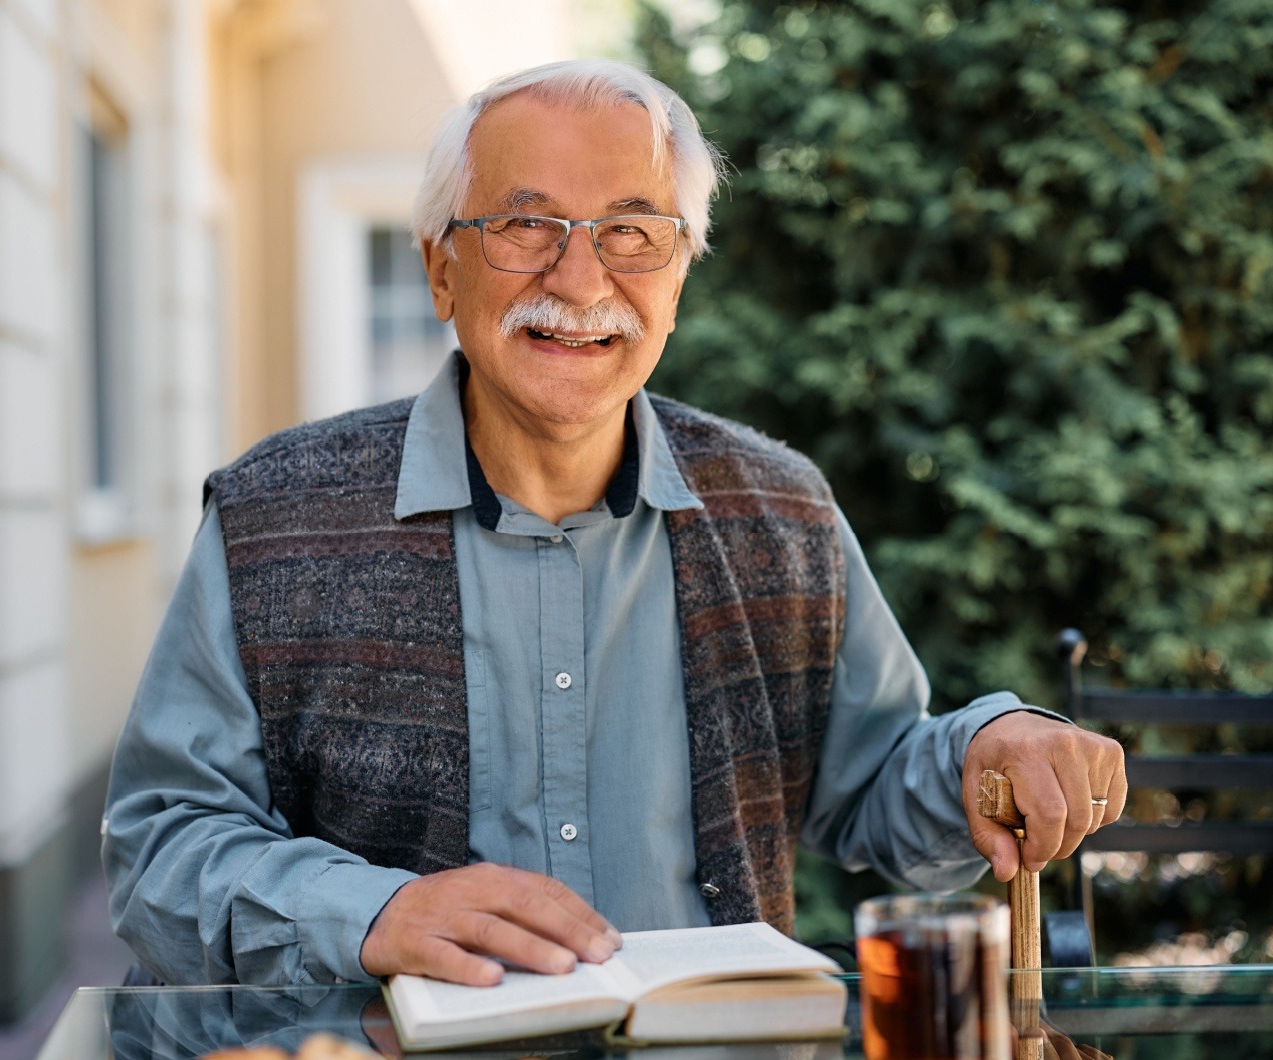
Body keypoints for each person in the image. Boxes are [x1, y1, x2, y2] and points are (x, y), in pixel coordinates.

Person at [102, 59, 1126, 989]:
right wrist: (375, 912)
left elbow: (876, 780)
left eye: (632, 231)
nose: (581, 280)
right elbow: (163, 848)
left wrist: (983, 749)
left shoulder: (781, 510)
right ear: (440, 269)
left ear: (679, 275)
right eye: (524, 225)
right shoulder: (273, 516)